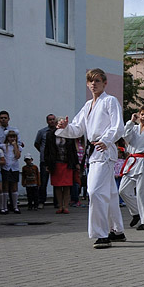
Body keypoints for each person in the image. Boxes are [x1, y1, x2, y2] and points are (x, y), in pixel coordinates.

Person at [55, 68, 126, 249]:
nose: (93, 84)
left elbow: (118, 127)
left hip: (105, 150)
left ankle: (102, 235)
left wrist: (106, 140)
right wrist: (64, 126)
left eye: (97, 81)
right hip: (94, 151)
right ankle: (117, 231)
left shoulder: (110, 101)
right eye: (90, 81)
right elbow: (77, 129)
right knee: (109, 193)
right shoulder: (88, 105)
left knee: (94, 191)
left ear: (105, 83)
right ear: (87, 84)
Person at [45, 126, 79, 214]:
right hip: (56, 163)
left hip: (67, 163)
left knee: (67, 185)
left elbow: (73, 150)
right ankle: (60, 206)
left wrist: (76, 163)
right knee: (58, 186)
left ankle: (66, 206)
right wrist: (47, 164)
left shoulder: (69, 135)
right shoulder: (50, 135)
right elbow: (47, 150)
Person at [34, 114, 58, 209]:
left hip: (56, 160)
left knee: (56, 182)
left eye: (53, 119)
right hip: (45, 160)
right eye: (50, 120)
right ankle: (41, 201)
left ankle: (57, 202)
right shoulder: (42, 132)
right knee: (43, 182)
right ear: (47, 121)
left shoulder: (59, 131)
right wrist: (43, 152)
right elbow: (36, 143)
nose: (52, 121)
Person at [0, 130, 22, 214]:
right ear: (7, 138)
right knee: (5, 187)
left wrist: (15, 145)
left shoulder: (18, 147)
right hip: (6, 168)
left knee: (14, 187)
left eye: (14, 137)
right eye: (10, 137)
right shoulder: (3, 146)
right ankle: (4, 206)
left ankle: (15, 206)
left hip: (14, 168)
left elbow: (17, 156)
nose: (12, 138)